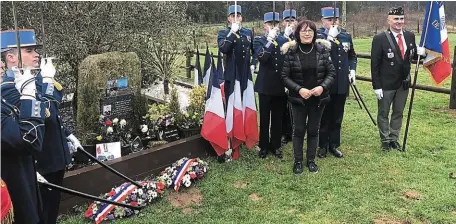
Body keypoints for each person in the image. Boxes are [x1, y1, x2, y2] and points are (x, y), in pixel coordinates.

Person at [1, 29, 81, 224]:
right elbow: (46, 113)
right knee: (40, 216)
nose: (36, 55)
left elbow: (53, 112)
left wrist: (67, 133)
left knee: (49, 212)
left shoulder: (32, 80)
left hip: (52, 157)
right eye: (29, 51)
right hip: (39, 161)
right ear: (11, 57)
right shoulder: (10, 87)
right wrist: (47, 84)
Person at [281, 20, 335, 174]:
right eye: (304, 31)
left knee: (313, 130)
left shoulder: (322, 51)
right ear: (298, 33)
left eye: (310, 31)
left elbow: (331, 73)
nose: (307, 33)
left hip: (318, 99)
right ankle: (297, 161)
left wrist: (322, 87)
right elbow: (284, 76)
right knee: (298, 130)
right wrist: (299, 89)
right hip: (298, 99)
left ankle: (311, 160)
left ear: (314, 33)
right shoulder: (291, 52)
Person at [370, 7, 426, 151]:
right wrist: (376, 86)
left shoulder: (409, 36)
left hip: (403, 83)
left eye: (401, 19)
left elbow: (410, 58)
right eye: (396, 19)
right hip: (386, 84)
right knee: (383, 113)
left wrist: (421, 54)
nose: (399, 22)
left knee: (398, 112)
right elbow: (374, 65)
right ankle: (386, 140)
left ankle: (394, 138)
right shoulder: (379, 38)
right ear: (389, 20)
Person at [1, 56, 47, 224]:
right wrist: (29, 97)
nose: (1, 64)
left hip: (20, 177)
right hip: (12, 193)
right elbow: (30, 139)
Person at [316, 7, 357, 158]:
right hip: (325, 82)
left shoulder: (345, 35)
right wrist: (330, 39)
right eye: (329, 20)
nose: (333, 23)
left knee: (337, 115)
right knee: (324, 115)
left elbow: (352, 55)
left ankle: (334, 144)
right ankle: (322, 145)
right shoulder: (318, 35)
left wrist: (352, 70)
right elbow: (319, 53)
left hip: (341, 82)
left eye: (336, 19)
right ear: (323, 21)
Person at [252, 12, 289, 159]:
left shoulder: (283, 40)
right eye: (270, 24)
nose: (274, 27)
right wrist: (269, 40)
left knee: (278, 117)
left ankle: (275, 145)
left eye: (276, 24)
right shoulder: (259, 40)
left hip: (280, 85)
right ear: (265, 26)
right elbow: (262, 56)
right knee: (265, 117)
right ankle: (263, 146)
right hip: (265, 85)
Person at [217, 5, 254, 104]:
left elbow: (254, 50)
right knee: (231, 105)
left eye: (238, 16)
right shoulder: (223, 33)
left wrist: (253, 63)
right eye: (233, 16)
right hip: (231, 74)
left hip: (245, 73)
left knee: (245, 103)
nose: (236, 18)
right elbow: (224, 48)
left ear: (241, 18)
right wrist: (232, 32)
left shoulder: (248, 32)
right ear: (229, 18)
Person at [280, 9, 297, 146]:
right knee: (283, 107)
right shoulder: (279, 37)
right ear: (283, 22)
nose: (290, 24)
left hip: (297, 77)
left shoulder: (301, 36)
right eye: (287, 21)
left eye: (292, 21)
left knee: (296, 105)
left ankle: (295, 130)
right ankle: (285, 132)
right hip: (283, 76)